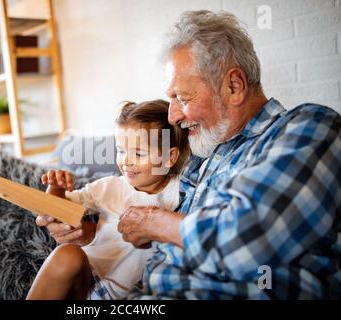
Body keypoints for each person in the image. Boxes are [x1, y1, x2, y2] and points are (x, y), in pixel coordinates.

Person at [38, 10, 341, 299]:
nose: (172, 116)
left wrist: (155, 223)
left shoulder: (310, 128)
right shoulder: (203, 154)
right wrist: (85, 231)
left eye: (182, 98)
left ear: (233, 86)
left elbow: (246, 241)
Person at [26, 99, 190, 300]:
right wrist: (56, 187)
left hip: (131, 294)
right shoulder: (111, 187)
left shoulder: (182, 191)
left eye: (138, 153)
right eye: (121, 151)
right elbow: (58, 209)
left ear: (169, 157)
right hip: (87, 278)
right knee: (68, 254)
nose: (126, 161)